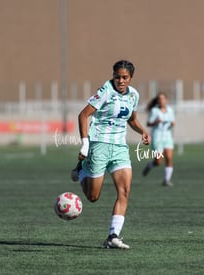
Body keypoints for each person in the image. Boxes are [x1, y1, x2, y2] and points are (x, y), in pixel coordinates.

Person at [70, 60, 150, 249]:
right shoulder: (105, 91)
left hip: (120, 147)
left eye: (125, 77)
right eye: (117, 77)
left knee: (124, 191)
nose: (120, 81)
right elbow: (83, 115)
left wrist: (143, 131)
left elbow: (131, 119)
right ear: (113, 75)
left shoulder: (133, 95)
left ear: (131, 78)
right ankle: (81, 171)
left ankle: (113, 236)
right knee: (93, 197)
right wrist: (85, 143)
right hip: (99, 145)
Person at [142, 92, 175, 186]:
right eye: (160, 99)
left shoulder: (170, 110)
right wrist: (156, 122)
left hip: (167, 137)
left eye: (163, 99)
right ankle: (150, 165)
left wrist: (172, 124)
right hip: (157, 137)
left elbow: (173, 121)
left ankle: (166, 180)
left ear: (166, 100)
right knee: (158, 161)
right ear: (158, 101)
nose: (162, 101)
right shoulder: (154, 111)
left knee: (169, 158)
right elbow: (148, 123)